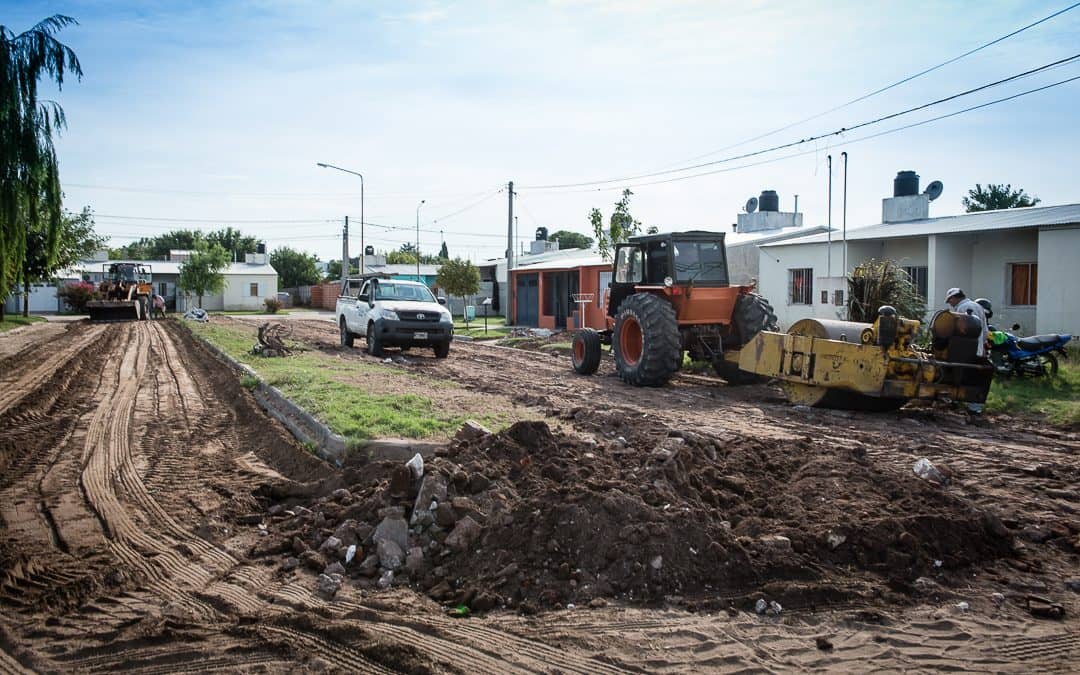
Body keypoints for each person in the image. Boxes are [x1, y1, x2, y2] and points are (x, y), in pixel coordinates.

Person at [945, 287, 988, 415]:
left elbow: (960, 331)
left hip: (965, 350)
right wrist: (982, 346)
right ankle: (973, 406)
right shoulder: (977, 306)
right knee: (973, 377)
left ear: (954, 297)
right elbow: (985, 330)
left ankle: (968, 406)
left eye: (949, 300)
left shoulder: (963, 309)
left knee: (961, 376)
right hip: (977, 349)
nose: (950, 303)